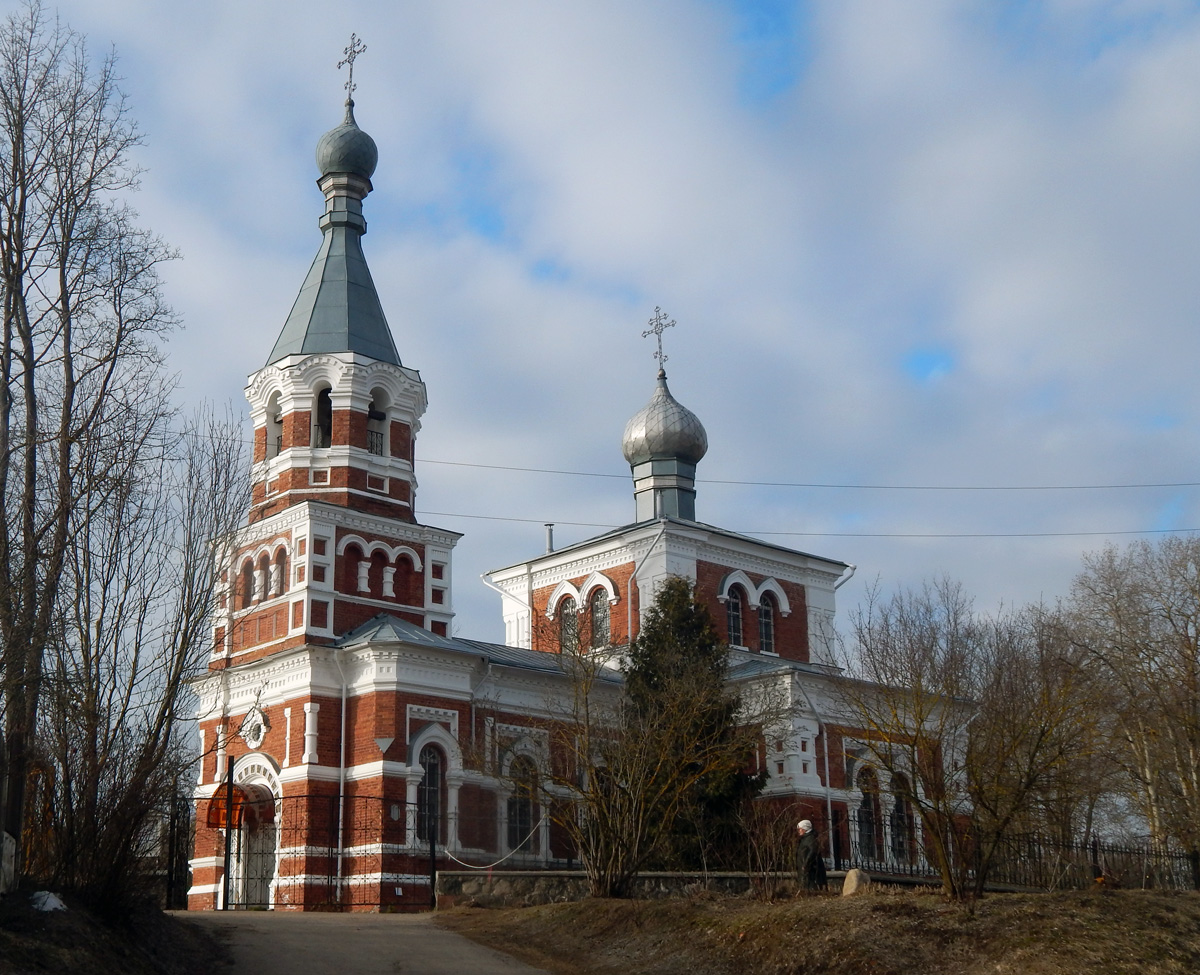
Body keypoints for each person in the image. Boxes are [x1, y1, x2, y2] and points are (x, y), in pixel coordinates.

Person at [794, 819, 826, 892]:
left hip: (809, 868)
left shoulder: (810, 839)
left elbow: (812, 851)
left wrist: (806, 863)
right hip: (805, 866)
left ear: (805, 829)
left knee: (809, 885)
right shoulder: (805, 839)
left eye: (800, 829)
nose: (799, 831)